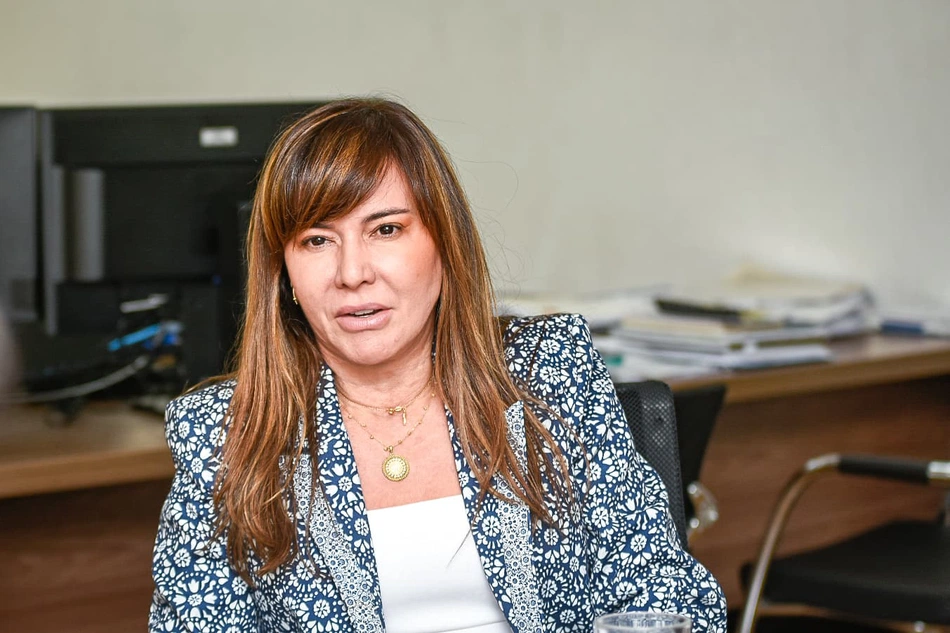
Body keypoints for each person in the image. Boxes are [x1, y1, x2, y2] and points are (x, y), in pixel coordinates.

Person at [149, 98, 727, 633]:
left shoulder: (548, 371)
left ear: (444, 245)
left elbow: (670, 602)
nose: (352, 273)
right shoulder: (223, 432)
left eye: (386, 229)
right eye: (317, 241)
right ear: (285, 275)